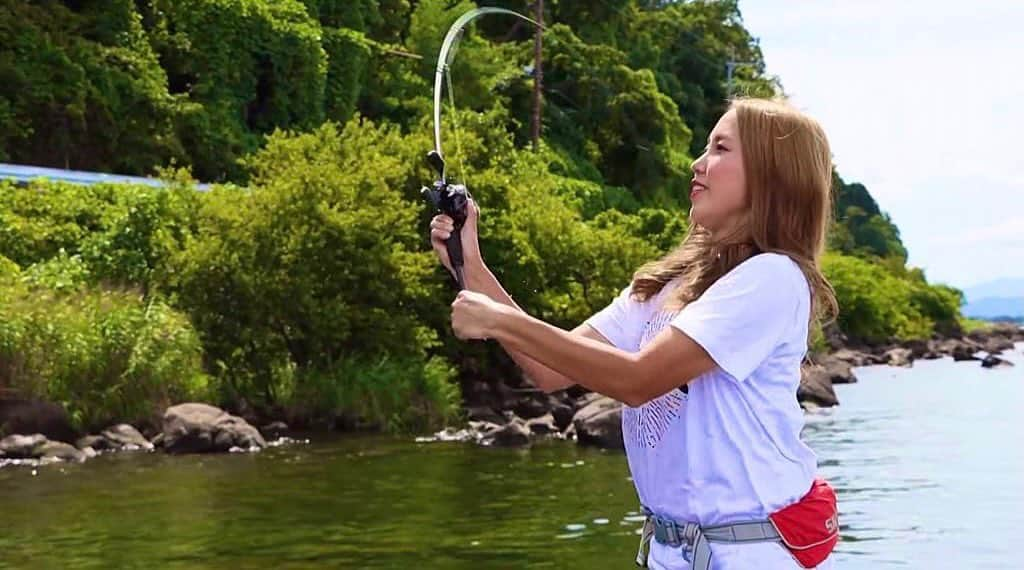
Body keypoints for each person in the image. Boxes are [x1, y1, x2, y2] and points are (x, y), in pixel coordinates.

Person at [429, 97, 839, 569]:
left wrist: (500, 320)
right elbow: (548, 369)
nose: (698, 163)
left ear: (771, 178)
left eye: (721, 149)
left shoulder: (772, 277)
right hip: (671, 552)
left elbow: (638, 381)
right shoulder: (667, 286)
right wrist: (471, 267)